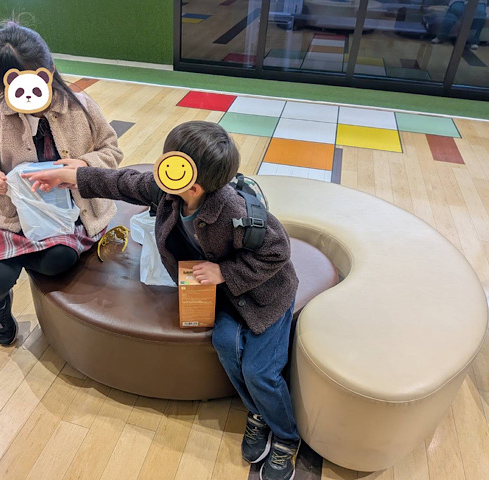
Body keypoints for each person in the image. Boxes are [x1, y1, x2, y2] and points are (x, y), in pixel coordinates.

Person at [23, 121, 301, 480]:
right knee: (225, 344)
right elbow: (123, 182)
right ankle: (259, 412)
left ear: (194, 185)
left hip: (265, 296)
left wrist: (224, 273)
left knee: (259, 371)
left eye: (173, 165)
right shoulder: (167, 192)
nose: (161, 170)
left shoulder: (234, 212)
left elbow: (277, 252)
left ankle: (286, 436)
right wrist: (70, 176)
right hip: (227, 298)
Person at [0, 21, 122, 346]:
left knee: (59, 261)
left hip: (69, 214)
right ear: (5, 83)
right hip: (16, 218)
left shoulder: (79, 105)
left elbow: (111, 149)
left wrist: (84, 165)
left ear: (49, 71)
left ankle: (15, 260)